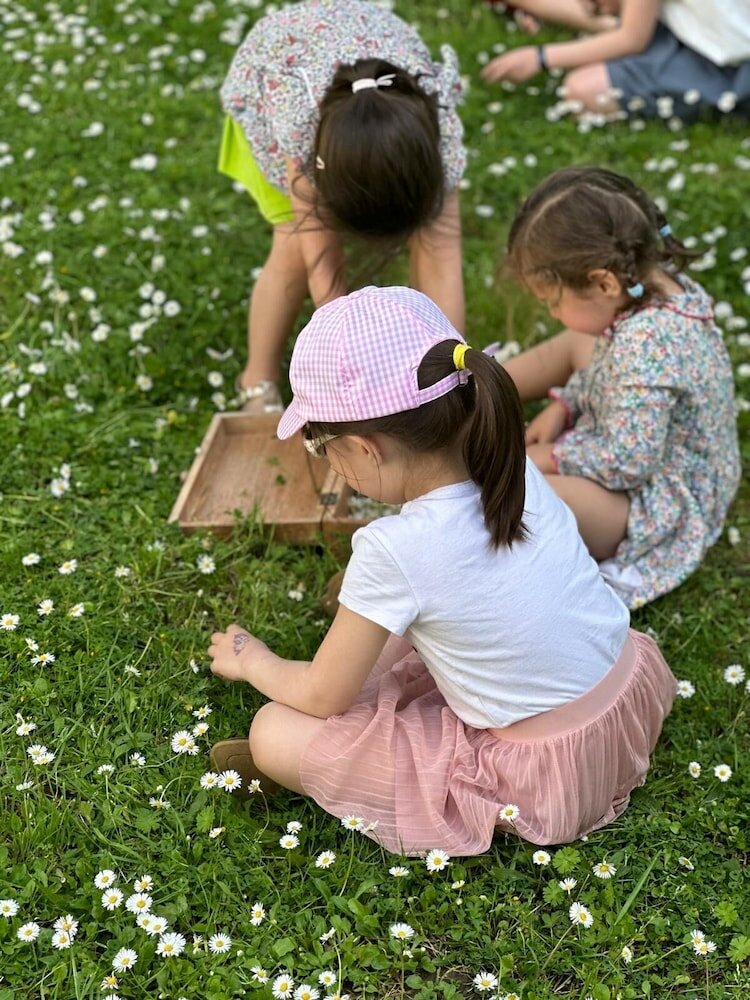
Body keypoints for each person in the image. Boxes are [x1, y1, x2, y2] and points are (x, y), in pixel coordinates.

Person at [207, 285, 676, 857]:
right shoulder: (511, 465)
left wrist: (252, 659)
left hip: (543, 774)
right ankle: (364, 695)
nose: (326, 461)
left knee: (273, 732)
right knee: (397, 639)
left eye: (320, 446)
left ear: (365, 448)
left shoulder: (394, 546)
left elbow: (324, 695)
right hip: (623, 700)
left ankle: (341, 757)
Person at [502, 166, 740, 608]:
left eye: (554, 302)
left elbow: (628, 462)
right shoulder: (653, 291)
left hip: (656, 499)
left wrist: (551, 457)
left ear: (604, 283)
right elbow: (605, 368)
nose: (552, 312)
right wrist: (564, 404)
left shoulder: (647, 344)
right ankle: (484, 388)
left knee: (526, 490)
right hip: (643, 444)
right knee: (579, 339)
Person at [218, 0, 466, 413]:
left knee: (435, 242)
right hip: (277, 71)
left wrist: (454, 372)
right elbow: (325, 273)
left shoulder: (435, 142)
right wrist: (351, 371)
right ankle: (256, 380)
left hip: (366, 65)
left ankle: (431, 369)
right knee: (294, 251)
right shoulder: (299, 135)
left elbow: (442, 260)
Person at [480, 0, 750, 119]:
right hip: (693, 39)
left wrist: (540, 57)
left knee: (582, 90)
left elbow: (631, 38)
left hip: (732, 65)